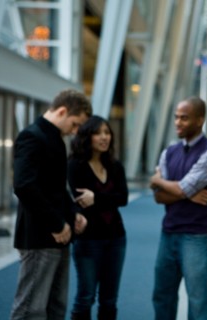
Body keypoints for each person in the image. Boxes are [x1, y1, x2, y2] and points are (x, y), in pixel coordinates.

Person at [11, 89, 92, 320]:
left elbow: (56, 187)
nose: (75, 132)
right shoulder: (32, 136)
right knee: (30, 309)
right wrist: (57, 224)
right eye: (75, 124)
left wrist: (73, 214)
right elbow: (24, 186)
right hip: (40, 235)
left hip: (58, 234)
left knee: (55, 307)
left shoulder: (54, 138)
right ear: (62, 111)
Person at [150, 96, 207, 320]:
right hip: (168, 234)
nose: (178, 122)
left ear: (199, 119)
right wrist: (187, 193)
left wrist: (161, 182)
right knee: (162, 296)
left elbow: (178, 189)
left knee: (198, 302)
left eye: (184, 118)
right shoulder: (169, 152)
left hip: (196, 238)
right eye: (176, 117)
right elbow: (158, 197)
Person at [67, 115, 129, 320]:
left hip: (116, 238)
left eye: (107, 132)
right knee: (86, 296)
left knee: (109, 299)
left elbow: (123, 198)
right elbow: (79, 201)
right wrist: (105, 199)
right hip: (88, 239)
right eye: (98, 133)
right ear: (87, 136)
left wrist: (96, 198)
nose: (104, 137)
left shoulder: (114, 165)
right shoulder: (75, 165)